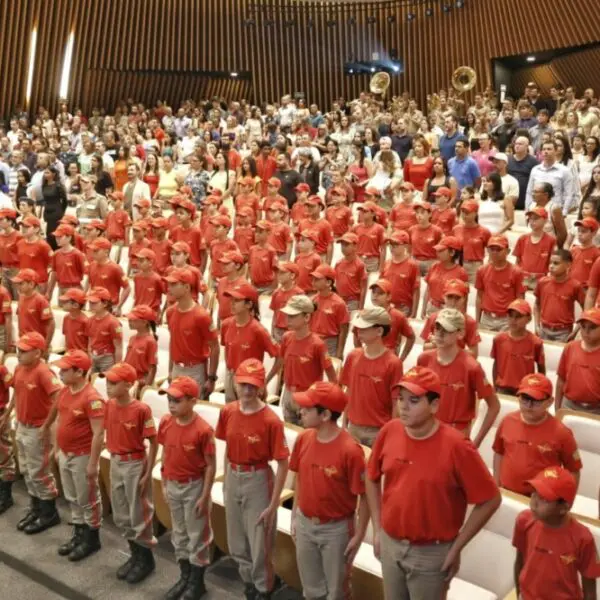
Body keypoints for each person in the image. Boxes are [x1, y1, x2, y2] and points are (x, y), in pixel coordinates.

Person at [365, 366, 501, 600]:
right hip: (390, 542)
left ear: (435, 406)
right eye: (401, 399)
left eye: (414, 400)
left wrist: (457, 546)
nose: (404, 407)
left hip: (431, 553)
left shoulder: (458, 447)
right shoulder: (390, 431)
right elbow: (371, 477)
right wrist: (377, 528)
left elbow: (490, 499)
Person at [215, 359, 289, 600]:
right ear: (236, 383)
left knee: (260, 544)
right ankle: (249, 584)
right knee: (237, 541)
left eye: (252, 386)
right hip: (234, 476)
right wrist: (226, 480)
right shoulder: (228, 412)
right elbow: (228, 449)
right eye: (243, 384)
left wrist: (274, 502)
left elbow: (283, 462)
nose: (247, 390)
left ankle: (263, 588)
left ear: (260, 387)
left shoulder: (271, 421)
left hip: (258, 479)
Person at [290, 382, 369, 600]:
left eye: (307, 408)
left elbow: (366, 496)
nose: (301, 411)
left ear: (325, 414)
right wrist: (296, 514)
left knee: (336, 591)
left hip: (336, 530)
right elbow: (300, 478)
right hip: (306, 524)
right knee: (311, 589)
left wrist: (359, 534)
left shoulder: (350, 451)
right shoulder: (303, 439)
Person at [157, 376, 216, 600]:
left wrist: (204, 495)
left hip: (194, 487)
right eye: (169, 399)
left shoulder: (203, 430)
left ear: (192, 401)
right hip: (173, 484)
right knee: (179, 534)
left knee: (196, 535)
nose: (171, 404)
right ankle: (185, 576)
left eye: (177, 400)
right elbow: (165, 454)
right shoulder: (166, 422)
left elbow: (211, 466)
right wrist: (163, 482)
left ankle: (197, 582)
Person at [44, 350, 104, 561]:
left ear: (79, 372)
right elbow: (60, 420)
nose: (60, 372)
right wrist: (57, 448)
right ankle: (79, 533)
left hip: (82, 455)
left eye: (65, 369)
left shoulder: (92, 398)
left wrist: (93, 464)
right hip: (66, 453)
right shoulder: (65, 392)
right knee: (71, 497)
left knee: (87, 498)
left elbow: (99, 433)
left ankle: (92, 538)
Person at [104, 361, 158, 582]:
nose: (108, 386)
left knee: (139, 513)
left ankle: (145, 558)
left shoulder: (141, 409)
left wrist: (148, 471)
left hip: (135, 463)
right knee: (121, 512)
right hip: (116, 461)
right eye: (107, 382)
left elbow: (154, 442)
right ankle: (135, 553)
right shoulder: (110, 405)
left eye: (113, 383)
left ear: (127, 385)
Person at [3, 332, 61, 534]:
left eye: (24, 351)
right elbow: (16, 394)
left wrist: (47, 426)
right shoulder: (20, 368)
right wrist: (9, 414)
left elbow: (58, 399)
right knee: (27, 469)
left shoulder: (44, 372)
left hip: (38, 428)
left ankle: (49, 513)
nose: (19, 354)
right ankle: (36, 508)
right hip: (22, 424)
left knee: (40, 471)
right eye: (18, 349)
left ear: (38, 352)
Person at [512, 466, 600, 600]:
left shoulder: (583, 538)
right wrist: (519, 594)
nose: (534, 502)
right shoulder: (523, 521)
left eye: (544, 499)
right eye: (534, 493)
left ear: (563, 508)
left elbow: (590, 589)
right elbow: (520, 562)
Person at [417, 308, 500, 446]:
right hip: (427, 430)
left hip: (456, 435)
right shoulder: (424, 359)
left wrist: (476, 442)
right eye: (437, 328)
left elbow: (494, 406)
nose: (440, 333)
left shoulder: (471, 367)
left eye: (447, 329)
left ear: (460, 333)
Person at [493, 373, 581, 497]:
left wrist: (566, 502)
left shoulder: (562, 433)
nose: (529, 406)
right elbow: (499, 452)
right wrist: (496, 484)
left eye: (536, 401)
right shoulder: (507, 421)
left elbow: (573, 470)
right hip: (507, 493)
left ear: (549, 402)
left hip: (542, 501)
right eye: (524, 399)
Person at [341, 308, 403, 447]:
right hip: (353, 427)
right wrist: (344, 423)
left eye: (364, 328)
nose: (358, 331)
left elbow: (396, 403)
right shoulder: (353, 356)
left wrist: (392, 433)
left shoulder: (393, 363)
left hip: (378, 431)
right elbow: (349, 391)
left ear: (379, 331)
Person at [270, 294, 337, 424]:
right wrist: (266, 380)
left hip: (308, 396)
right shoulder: (286, 337)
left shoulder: (318, 344)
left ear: (306, 317)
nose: (288, 319)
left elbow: (332, 377)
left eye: (293, 316)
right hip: (288, 393)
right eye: (288, 315)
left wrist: (327, 403)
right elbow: (280, 361)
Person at [222, 279, 279, 399]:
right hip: (230, 375)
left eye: (237, 300)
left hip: (249, 380)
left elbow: (280, 356)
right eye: (231, 300)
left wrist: (264, 381)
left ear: (249, 304)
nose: (232, 303)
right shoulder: (226, 324)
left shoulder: (258, 330)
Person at [165, 267, 219, 394]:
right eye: (169, 284)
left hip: (196, 370)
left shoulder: (201, 316)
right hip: (177, 368)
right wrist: (170, 370)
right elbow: (173, 341)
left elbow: (214, 347)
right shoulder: (170, 312)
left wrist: (211, 378)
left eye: (174, 284)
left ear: (187, 288)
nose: (169, 288)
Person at [491, 299, 545, 396]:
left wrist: (539, 390)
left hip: (526, 390)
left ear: (529, 319)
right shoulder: (499, 339)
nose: (513, 320)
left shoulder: (536, 342)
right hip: (502, 389)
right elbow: (496, 365)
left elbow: (541, 369)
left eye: (518, 316)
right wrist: (495, 387)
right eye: (510, 316)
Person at [475, 235, 525, 332]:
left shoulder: (516, 272)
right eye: (491, 249)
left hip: (507, 319)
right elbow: (479, 296)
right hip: (487, 318)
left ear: (507, 251)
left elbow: (520, 299)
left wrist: (517, 322)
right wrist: (477, 320)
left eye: (498, 249)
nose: (494, 252)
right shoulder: (482, 270)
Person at [555, 307, 600, 414]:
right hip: (569, 405)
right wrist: (557, 408)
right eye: (583, 327)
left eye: (592, 327)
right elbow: (561, 380)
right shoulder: (570, 348)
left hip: (596, 408)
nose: (586, 331)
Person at [534, 249, 585, 342]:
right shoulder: (542, 282)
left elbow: (586, 309)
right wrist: (536, 325)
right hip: (543, 329)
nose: (551, 266)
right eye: (550, 263)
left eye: (556, 263)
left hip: (564, 332)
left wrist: (575, 331)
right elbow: (537, 305)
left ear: (568, 265)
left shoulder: (575, 286)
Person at [526, 141, 576, 216]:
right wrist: (527, 208)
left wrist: (564, 212)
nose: (546, 151)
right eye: (544, 149)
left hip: (554, 211)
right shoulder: (535, 170)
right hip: (536, 210)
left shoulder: (564, 171)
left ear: (556, 151)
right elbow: (529, 192)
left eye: (549, 149)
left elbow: (569, 194)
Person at [421, 236, 467, 318]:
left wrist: (462, 315)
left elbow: (464, 298)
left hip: (449, 311)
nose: (437, 253)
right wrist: (423, 310)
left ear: (452, 252)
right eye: (437, 250)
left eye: (441, 251)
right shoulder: (434, 266)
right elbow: (428, 289)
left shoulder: (461, 272)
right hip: (431, 308)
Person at [310, 264, 350, 359]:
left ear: (328, 282)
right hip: (313, 341)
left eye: (317, 279)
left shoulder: (339, 303)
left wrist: (339, 352)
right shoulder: (312, 300)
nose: (313, 282)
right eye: (313, 279)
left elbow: (343, 330)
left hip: (330, 344)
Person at [513, 206, 557, 290]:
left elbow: (551, 262)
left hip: (540, 279)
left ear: (545, 220)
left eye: (536, 219)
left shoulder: (551, 240)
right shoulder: (523, 238)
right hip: (523, 277)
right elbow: (517, 261)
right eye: (530, 219)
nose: (532, 222)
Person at [379, 230, 420, 317]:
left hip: (403, 308)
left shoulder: (412, 265)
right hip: (386, 307)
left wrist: (414, 313)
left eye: (396, 244)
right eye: (390, 244)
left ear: (405, 245)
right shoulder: (387, 263)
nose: (392, 247)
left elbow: (416, 290)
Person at [87, 237, 131, 314]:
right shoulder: (91, 266)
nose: (93, 253)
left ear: (106, 252)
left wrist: (118, 306)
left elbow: (127, 288)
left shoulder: (115, 268)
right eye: (93, 250)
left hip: (109, 308)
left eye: (96, 251)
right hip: (94, 305)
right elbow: (90, 284)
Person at [13, 268, 54, 349]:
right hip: (23, 342)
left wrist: (45, 346)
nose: (18, 287)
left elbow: (51, 324)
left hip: (36, 344)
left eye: (21, 284)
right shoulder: (21, 297)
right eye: (17, 284)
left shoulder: (41, 300)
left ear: (31, 284)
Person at [453, 200, 492, 282]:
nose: (464, 215)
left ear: (475, 213)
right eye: (462, 212)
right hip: (458, 264)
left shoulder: (484, 231)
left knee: (473, 291)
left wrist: (489, 265)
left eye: (467, 212)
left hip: (475, 266)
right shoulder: (456, 229)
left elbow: (491, 249)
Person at [87, 286, 123, 373]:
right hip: (93, 356)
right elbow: (90, 341)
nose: (91, 304)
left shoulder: (113, 322)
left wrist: (117, 367)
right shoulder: (90, 320)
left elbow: (118, 347)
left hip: (107, 358)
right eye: (90, 302)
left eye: (94, 302)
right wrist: (90, 356)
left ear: (105, 303)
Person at [47, 223, 87, 301]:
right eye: (56, 237)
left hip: (74, 289)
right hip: (61, 288)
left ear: (69, 237)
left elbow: (85, 275)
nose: (57, 239)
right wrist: (49, 291)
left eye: (60, 237)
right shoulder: (56, 254)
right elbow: (54, 274)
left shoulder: (77, 254)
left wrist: (83, 294)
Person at [124, 305, 158, 391]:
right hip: (128, 380)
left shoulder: (150, 341)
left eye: (133, 320)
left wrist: (146, 388)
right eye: (129, 319)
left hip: (140, 383)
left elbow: (152, 367)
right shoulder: (132, 338)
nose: (129, 321)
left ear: (144, 322)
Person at [17, 215, 53, 293]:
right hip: (23, 283)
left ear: (36, 229)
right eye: (22, 226)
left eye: (27, 226)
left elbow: (53, 263)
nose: (23, 229)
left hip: (38, 283)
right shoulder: (20, 243)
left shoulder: (43, 245)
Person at [269, 262, 304, 342]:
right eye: (278, 272)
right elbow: (275, 314)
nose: (279, 275)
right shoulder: (276, 293)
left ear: (292, 275)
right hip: (278, 331)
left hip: (293, 331)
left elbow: (302, 317)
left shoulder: (299, 293)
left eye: (283, 273)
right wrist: (272, 333)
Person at [334, 232, 367, 311]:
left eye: (346, 245)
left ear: (355, 246)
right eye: (342, 245)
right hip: (340, 300)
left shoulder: (360, 265)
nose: (343, 247)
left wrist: (360, 308)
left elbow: (363, 288)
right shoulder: (338, 264)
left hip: (353, 301)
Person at [508, 135, 539, 210]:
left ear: (526, 146)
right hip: (509, 200)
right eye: (516, 144)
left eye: (520, 144)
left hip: (525, 201)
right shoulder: (508, 159)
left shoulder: (533, 162)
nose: (517, 146)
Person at [248, 221, 278, 294]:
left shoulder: (271, 251)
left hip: (267, 287)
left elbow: (276, 271)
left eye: (260, 232)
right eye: (256, 232)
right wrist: (251, 282)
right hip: (255, 286)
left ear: (268, 233)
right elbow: (250, 266)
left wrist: (272, 289)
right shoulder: (252, 249)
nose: (257, 234)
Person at [570, 217, 600, 287]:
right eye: (578, 231)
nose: (580, 234)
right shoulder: (573, 250)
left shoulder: (596, 253)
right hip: (571, 287)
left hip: (585, 289)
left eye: (583, 231)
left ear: (594, 233)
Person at [0, 361, 14, 514]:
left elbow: (16, 387)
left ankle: (6, 496)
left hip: (0, 413)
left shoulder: (2, 369)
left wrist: (8, 413)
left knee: (4, 455)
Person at [294, 230, 322, 294]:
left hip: (310, 293)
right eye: (299, 240)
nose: (299, 243)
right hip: (297, 292)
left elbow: (319, 279)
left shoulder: (316, 259)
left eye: (303, 240)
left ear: (312, 243)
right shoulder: (297, 258)